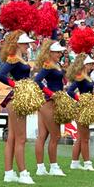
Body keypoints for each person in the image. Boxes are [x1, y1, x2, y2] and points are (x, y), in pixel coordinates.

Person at [0, 30, 36, 184]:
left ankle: (9, 173)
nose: (28, 45)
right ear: (18, 44)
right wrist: (16, 85)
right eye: (25, 43)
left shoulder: (20, 57)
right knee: (21, 138)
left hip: (18, 98)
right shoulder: (13, 58)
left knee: (12, 138)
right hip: (17, 99)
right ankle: (23, 173)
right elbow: (0, 75)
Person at [34, 40, 68, 177]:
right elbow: (36, 81)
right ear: (51, 53)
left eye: (60, 52)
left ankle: (40, 168)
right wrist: (50, 93)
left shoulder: (56, 64)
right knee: (55, 135)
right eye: (57, 52)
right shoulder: (48, 65)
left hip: (48, 102)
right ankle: (53, 166)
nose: (60, 54)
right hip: (49, 102)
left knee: (43, 136)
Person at [66, 54, 94, 171]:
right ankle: (87, 163)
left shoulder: (87, 76)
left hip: (87, 107)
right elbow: (70, 91)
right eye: (89, 64)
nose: (91, 66)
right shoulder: (80, 76)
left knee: (81, 137)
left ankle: (74, 162)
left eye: (91, 64)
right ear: (85, 65)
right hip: (82, 108)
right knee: (85, 137)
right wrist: (80, 99)